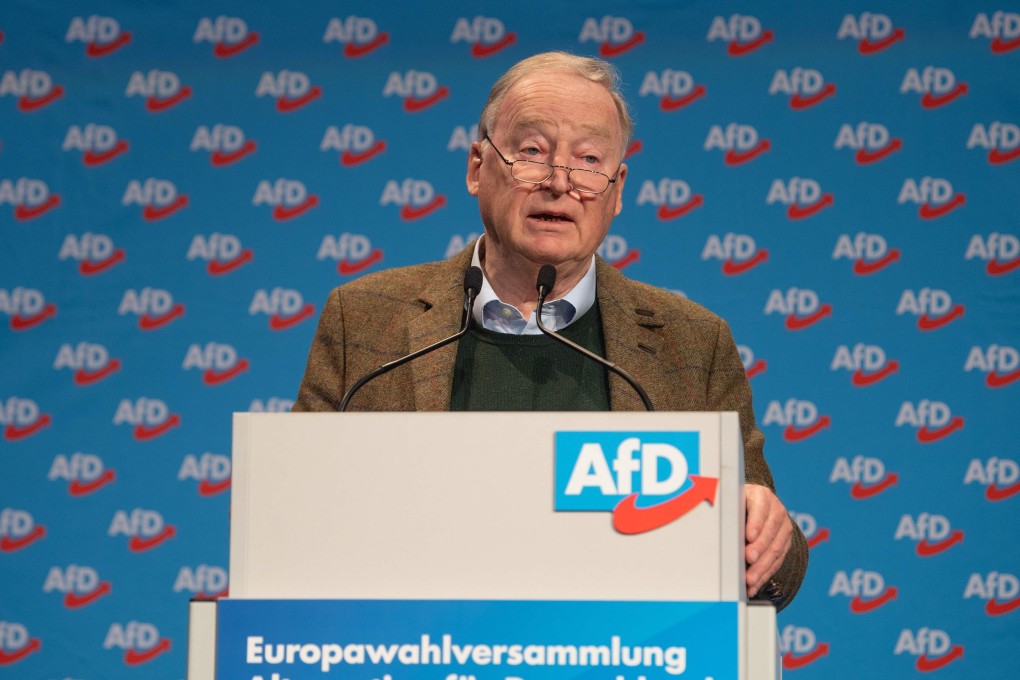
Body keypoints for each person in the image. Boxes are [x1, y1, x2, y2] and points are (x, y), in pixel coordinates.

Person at [294, 51, 807, 610]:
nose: (561, 182)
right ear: (476, 167)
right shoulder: (366, 319)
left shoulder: (691, 342)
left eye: (589, 160)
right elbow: (292, 513)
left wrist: (767, 534)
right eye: (532, 152)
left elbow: (769, 552)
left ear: (617, 189)